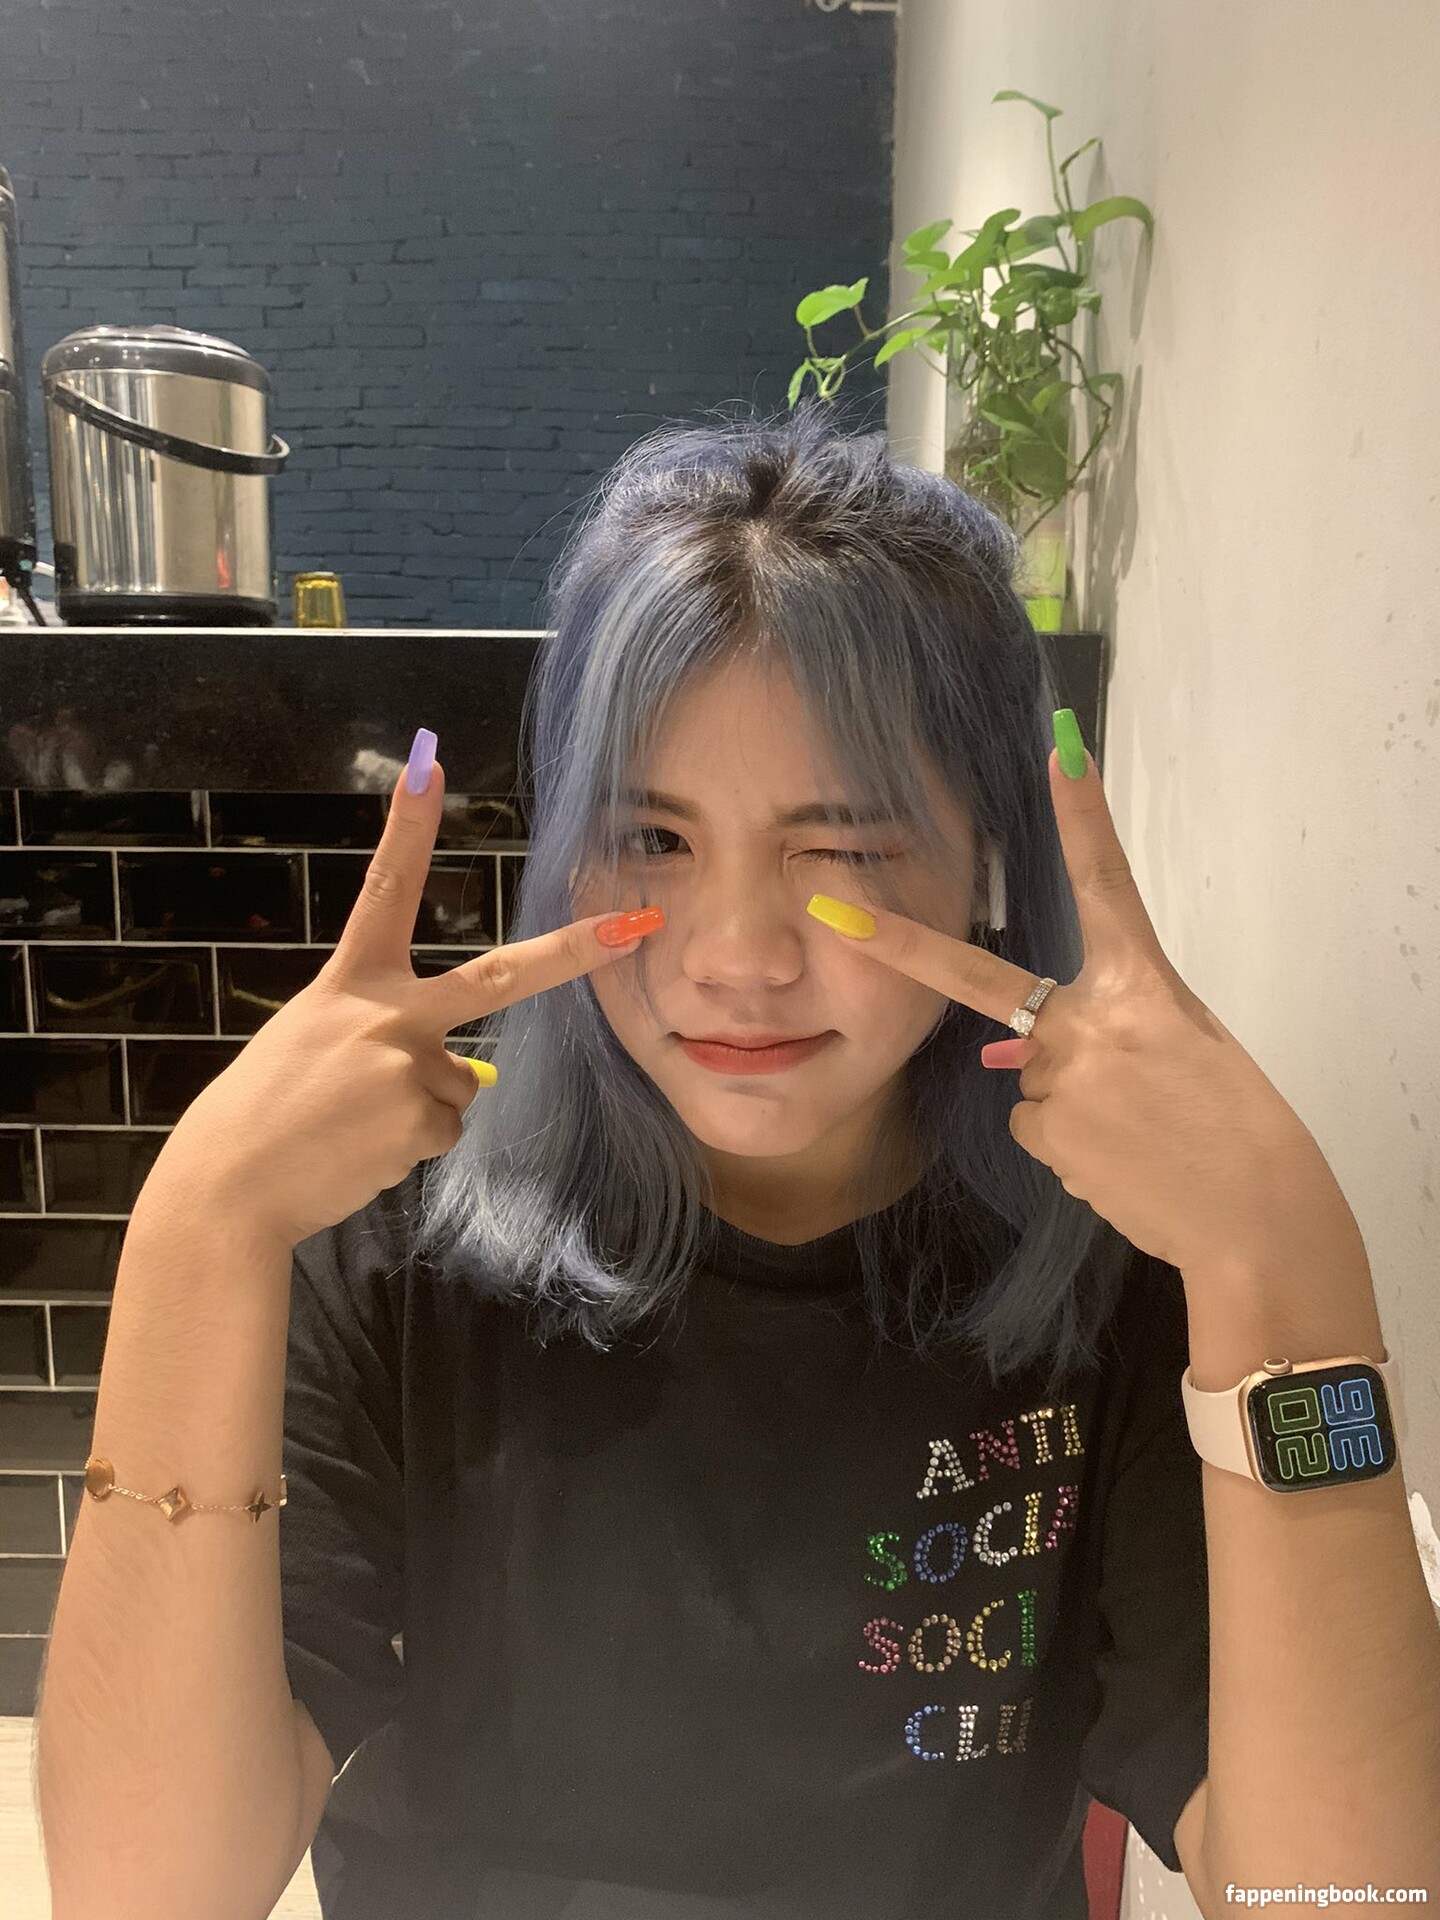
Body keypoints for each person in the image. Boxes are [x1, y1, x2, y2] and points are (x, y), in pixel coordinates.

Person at [36, 401, 1208, 1920]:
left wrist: (1294, 1272)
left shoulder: (1118, 1271)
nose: (737, 959)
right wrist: (196, 1229)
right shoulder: (394, 1249)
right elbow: (145, 1891)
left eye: (845, 851)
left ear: (986, 858)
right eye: (652, 838)